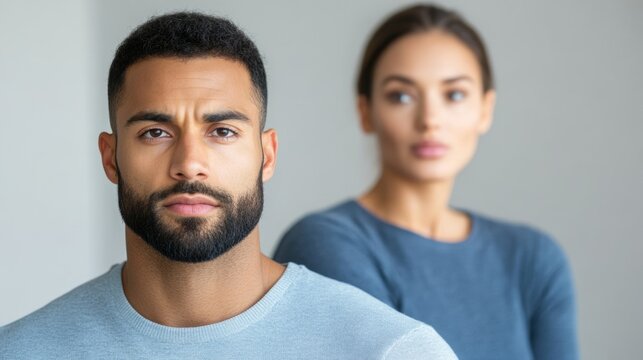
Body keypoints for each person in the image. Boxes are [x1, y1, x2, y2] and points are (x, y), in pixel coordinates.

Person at [0, 12, 457, 359]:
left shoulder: (391, 350)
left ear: (267, 155)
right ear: (110, 157)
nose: (189, 164)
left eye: (222, 132)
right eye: (155, 133)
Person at [274, 4, 578, 360]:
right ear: (365, 112)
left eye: (454, 95)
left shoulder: (532, 258)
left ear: (485, 109)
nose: (430, 119)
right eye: (401, 96)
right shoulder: (325, 244)